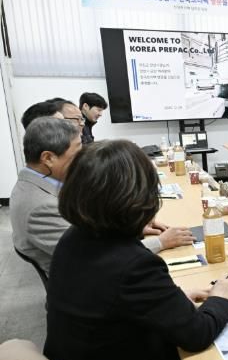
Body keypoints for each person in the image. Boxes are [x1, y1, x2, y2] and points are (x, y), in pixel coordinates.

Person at [44, 140, 228, 360]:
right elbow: (196, 334)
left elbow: (112, 298)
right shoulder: (134, 265)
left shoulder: (74, 237)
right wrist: (221, 297)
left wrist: (172, 300)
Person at [9, 117, 193, 276]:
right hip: (90, 287)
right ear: (48, 158)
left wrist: (130, 226)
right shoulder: (39, 207)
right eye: (78, 152)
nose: (85, 158)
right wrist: (160, 242)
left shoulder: (42, 185)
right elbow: (97, 258)